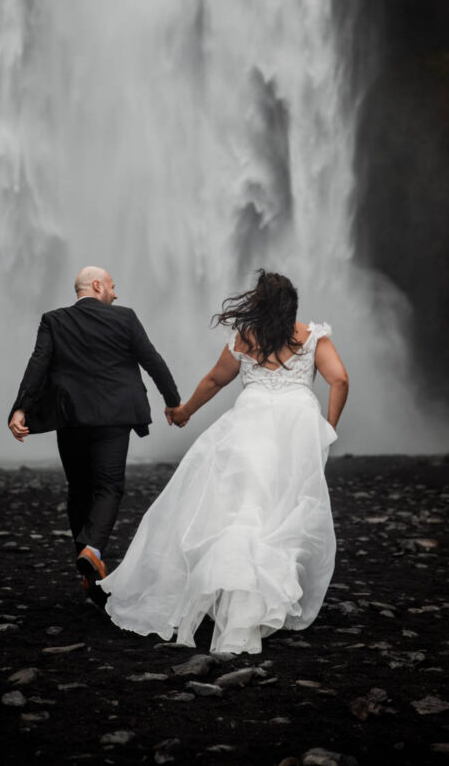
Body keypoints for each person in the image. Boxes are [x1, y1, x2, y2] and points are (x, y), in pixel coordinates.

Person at [99, 270, 349, 654]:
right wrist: (326, 429)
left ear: (258, 304)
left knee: (242, 507)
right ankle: (267, 599)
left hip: (249, 424)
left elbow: (216, 381)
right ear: (291, 306)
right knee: (286, 510)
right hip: (297, 426)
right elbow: (340, 380)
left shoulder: (246, 339)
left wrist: (184, 412)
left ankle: (231, 591)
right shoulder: (311, 337)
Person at [7, 266, 181, 605]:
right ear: (97, 285)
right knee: (109, 487)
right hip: (114, 418)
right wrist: (173, 403)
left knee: (79, 488)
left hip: (70, 418)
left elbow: (38, 364)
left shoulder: (53, 320)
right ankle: (93, 549)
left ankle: (86, 563)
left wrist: (20, 409)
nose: (116, 294)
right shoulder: (125, 318)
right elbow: (153, 361)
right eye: (113, 287)